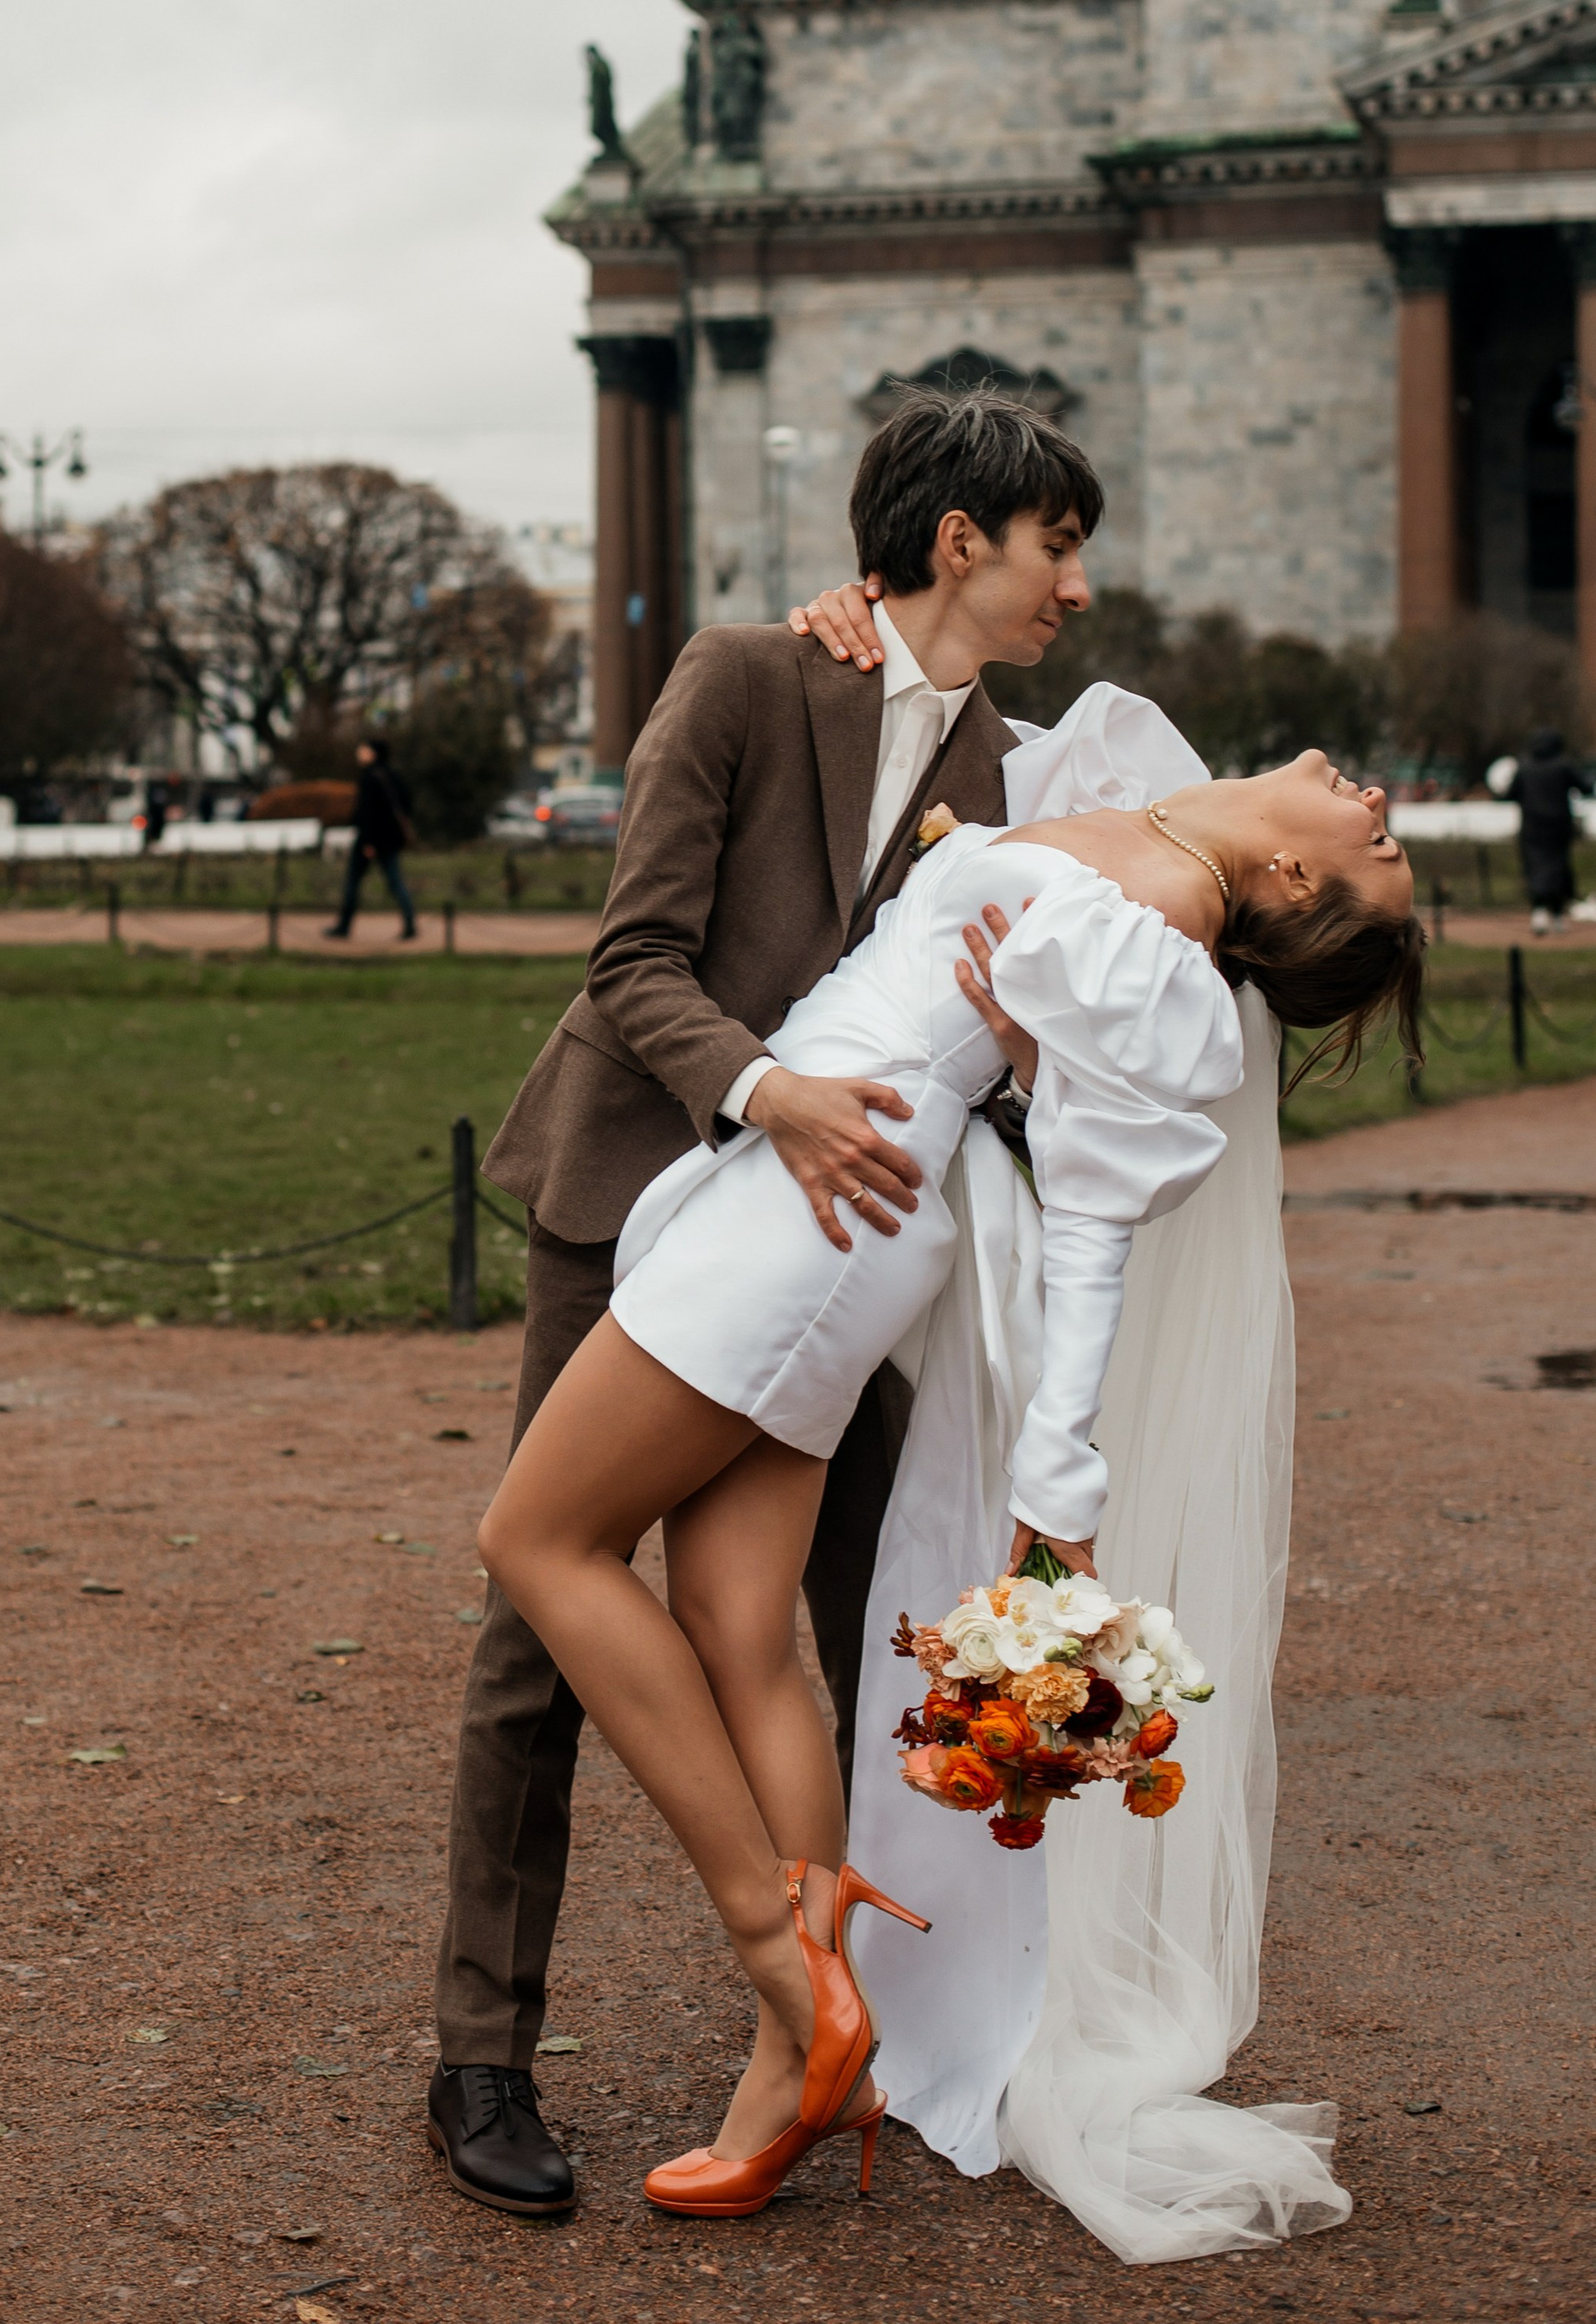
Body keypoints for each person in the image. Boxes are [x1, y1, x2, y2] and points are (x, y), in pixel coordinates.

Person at [478, 691, 1423, 2261]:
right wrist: (846, 619)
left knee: (541, 1541)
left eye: (1378, 848)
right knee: (733, 1619)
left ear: (1302, 888)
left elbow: (1095, 1241)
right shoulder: (1140, 814)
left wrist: (1061, 1492)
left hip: (814, 1218)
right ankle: (798, 2073)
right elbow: (972, 674)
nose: (1376, 800)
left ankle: (786, 1969)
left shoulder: (1157, 951)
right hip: (811, 1192)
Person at [428, 390, 1101, 2216]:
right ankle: (481, 2060)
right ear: (956, 540)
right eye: (1055, 543)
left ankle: (855, 2032)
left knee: (842, 1612)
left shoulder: (1007, 767)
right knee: (536, 1629)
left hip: (848, 1238)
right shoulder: (740, 674)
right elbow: (628, 958)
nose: (1080, 585)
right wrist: (765, 1092)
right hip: (640, 1185)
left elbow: (1000, 1024)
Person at [323, 737, 419, 941]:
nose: (360, 752)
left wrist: (368, 843)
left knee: (353, 883)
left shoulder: (369, 777)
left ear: (373, 753)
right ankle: (410, 923)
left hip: (370, 841)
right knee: (396, 882)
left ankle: (344, 926)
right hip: (390, 841)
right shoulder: (393, 776)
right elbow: (406, 806)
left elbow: (367, 814)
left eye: (364, 749)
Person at [1510, 726, 1589, 932]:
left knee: (1535, 867)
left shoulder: (1525, 766)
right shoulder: (1564, 765)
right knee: (1558, 868)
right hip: (1559, 827)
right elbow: (1585, 786)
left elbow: (1510, 793)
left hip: (1532, 828)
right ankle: (1557, 914)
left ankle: (1539, 911)